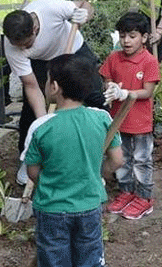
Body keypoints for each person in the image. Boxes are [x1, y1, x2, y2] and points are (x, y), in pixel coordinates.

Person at [24, 53, 124, 267]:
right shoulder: (102, 118)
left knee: (54, 259)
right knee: (89, 258)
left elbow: (32, 171)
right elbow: (117, 160)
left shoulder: (41, 126)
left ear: (54, 87)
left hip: (52, 208)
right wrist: (97, 172)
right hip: (89, 205)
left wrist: (52, 183)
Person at [2, 0, 101, 155]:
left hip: (74, 51)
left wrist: (85, 14)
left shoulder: (50, 8)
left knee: (94, 96)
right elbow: (31, 86)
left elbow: (85, 4)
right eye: (18, 46)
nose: (22, 49)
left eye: (27, 45)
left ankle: (102, 148)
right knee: (31, 110)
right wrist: (44, 122)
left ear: (34, 28)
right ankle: (28, 155)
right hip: (42, 62)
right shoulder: (11, 48)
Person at [100, 12, 161, 220]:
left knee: (141, 160)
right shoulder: (114, 58)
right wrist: (111, 88)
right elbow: (107, 77)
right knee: (122, 159)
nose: (126, 41)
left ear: (144, 38)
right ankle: (126, 192)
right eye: (122, 35)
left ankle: (144, 197)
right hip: (118, 120)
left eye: (132, 36)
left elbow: (148, 92)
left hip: (140, 122)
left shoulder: (149, 61)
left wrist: (127, 94)